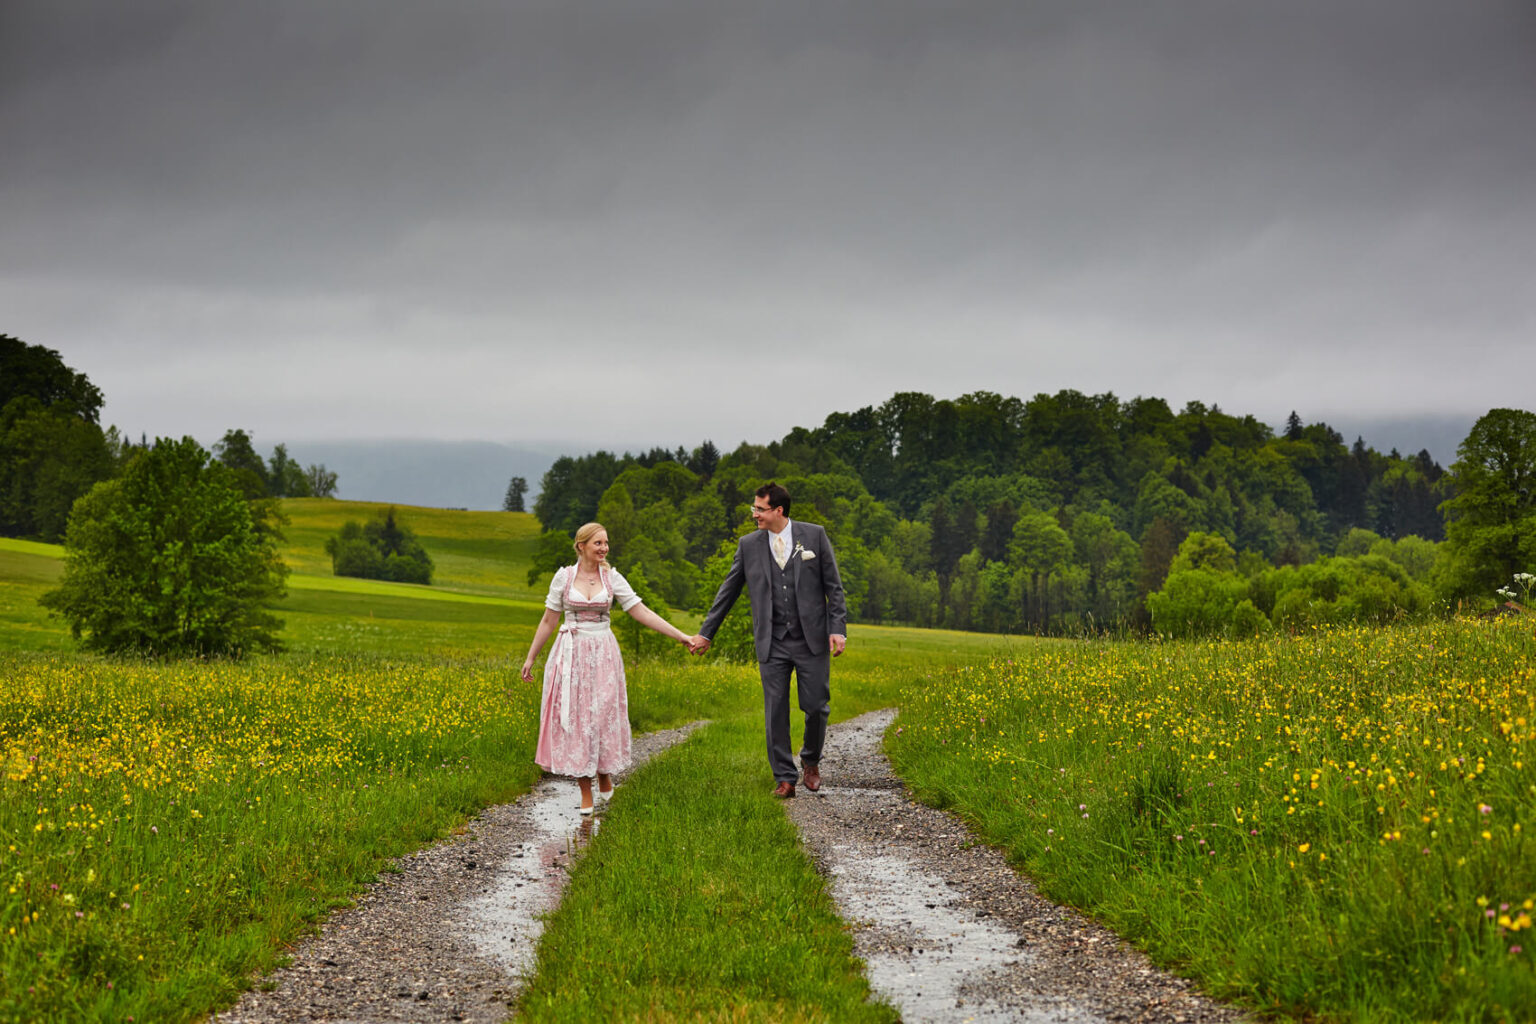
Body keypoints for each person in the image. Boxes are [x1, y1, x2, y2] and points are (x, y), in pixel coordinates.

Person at [522, 522, 695, 814]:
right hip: (572, 653)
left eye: (606, 543)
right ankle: (585, 788)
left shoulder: (611, 577)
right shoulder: (563, 577)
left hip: (603, 653)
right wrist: (530, 658)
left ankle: (604, 771)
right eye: (597, 543)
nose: (604, 548)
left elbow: (640, 610)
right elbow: (549, 620)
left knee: (602, 715)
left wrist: (680, 636)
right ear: (581, 546)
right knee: (578, 719)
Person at [689, 481, 847, 798]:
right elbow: (728, 591)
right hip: (772, 641)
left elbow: (834, 587)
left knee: (816, 705)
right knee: (775, 709)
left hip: (811, 639)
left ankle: (811, 760)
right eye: (754, 508)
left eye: (759, 509)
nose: (754, 515)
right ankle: (785, 778)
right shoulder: (748, 545)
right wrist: (707, 633)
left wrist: (837, 628)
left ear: (778, 510)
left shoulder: (814, 535)